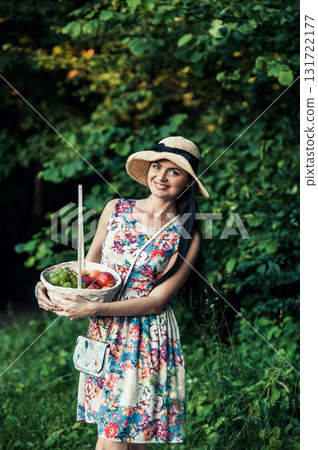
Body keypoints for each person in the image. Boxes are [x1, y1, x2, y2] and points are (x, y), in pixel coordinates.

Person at [35, 136, 210, 450]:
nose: (161, 176)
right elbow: (88, 271)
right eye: (157, 166)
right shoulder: (115, 209)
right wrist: (49, 290)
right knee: (130, 437)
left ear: (187, 182)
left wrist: (93, 310)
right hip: (104, 333)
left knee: (114, 437)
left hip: (144, 337)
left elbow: (157, 301)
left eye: (174, 171)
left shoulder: (187, 235)